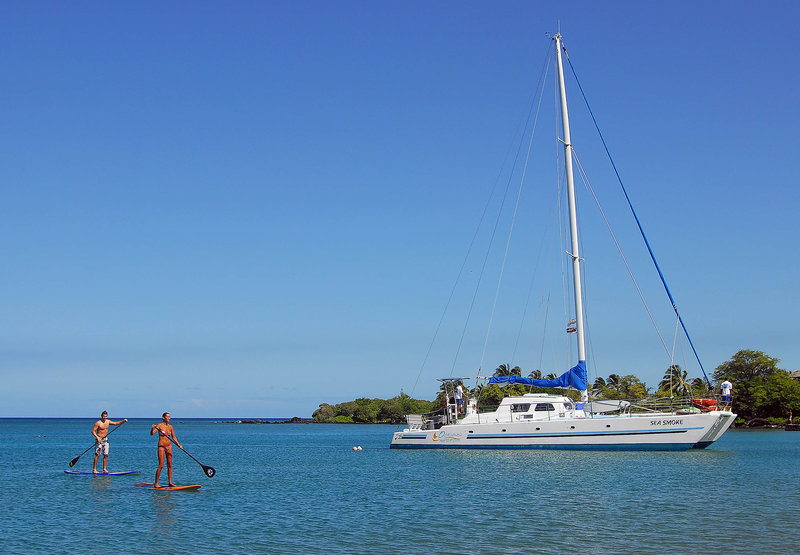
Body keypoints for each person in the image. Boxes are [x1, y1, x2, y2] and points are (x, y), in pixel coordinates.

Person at [151, 412, 182, 488]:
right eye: (167, 417)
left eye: (169, 417)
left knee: (169, 465)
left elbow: (174, 437)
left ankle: (170, 482)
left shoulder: (170, 427)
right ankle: (156, 483)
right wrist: (152, 428)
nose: (169, 418)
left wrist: (178, 444)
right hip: (161, 447)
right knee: (161, 465)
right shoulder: (159, 425)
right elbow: (152, 433)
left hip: (169, 447)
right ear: (163, 417)